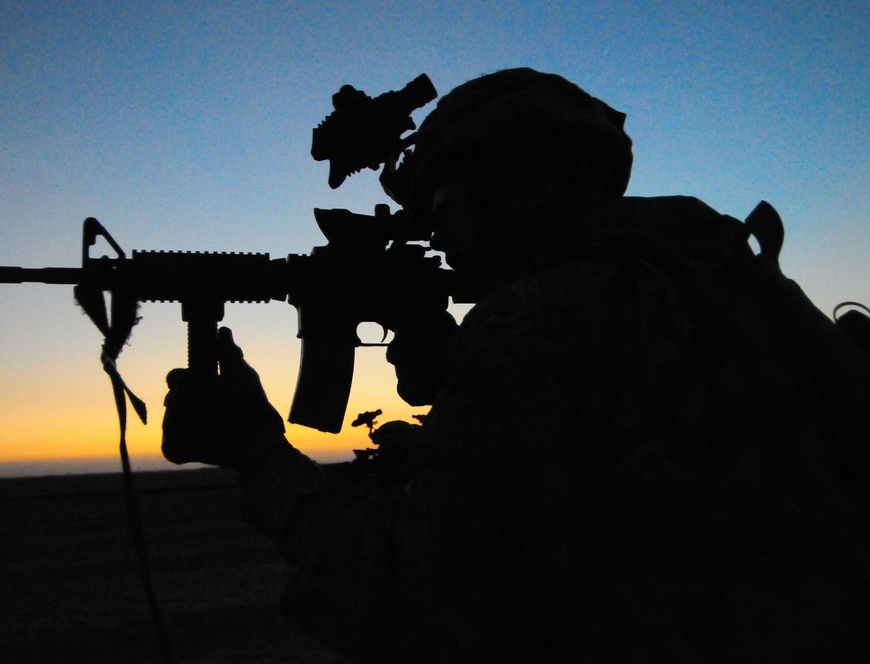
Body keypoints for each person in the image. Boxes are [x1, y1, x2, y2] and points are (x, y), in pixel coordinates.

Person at [162, 69, 870, 662]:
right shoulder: (710, 273)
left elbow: (419, 597)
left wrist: (256, 451)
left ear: (519, 184)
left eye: (444, 201)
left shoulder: (547, 315)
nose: (437, 232)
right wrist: (452, 392)